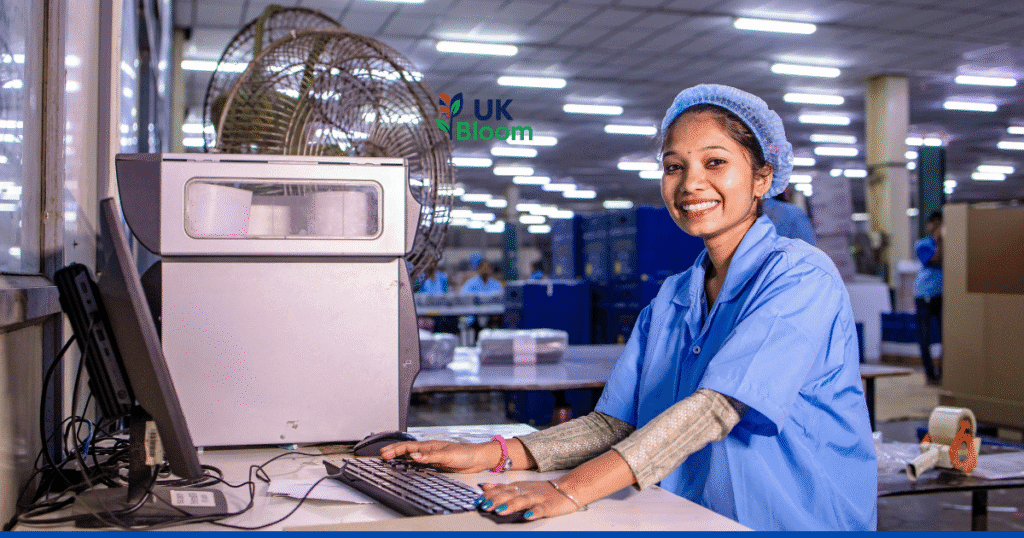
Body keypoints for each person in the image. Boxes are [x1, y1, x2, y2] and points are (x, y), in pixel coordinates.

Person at [382, 85, 876, 531]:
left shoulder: (799, 276)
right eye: (674, 166)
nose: (690, 184)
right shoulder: (673, 297)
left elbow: (715, 409)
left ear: (763, 178)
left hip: (795, 520)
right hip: (692, 517)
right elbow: (613, 424)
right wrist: (492, 454)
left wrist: (568, 489)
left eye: (715, 162)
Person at [914, 211, 943, 384]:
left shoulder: (949, 243)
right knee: (925, 338)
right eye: (934, 223)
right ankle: (930, 374)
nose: (937, 226)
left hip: (940, 295)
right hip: (924, 295)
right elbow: (935, 260)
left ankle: (942, 373)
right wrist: (939, 241)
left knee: (944, 336)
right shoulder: (922, 245)